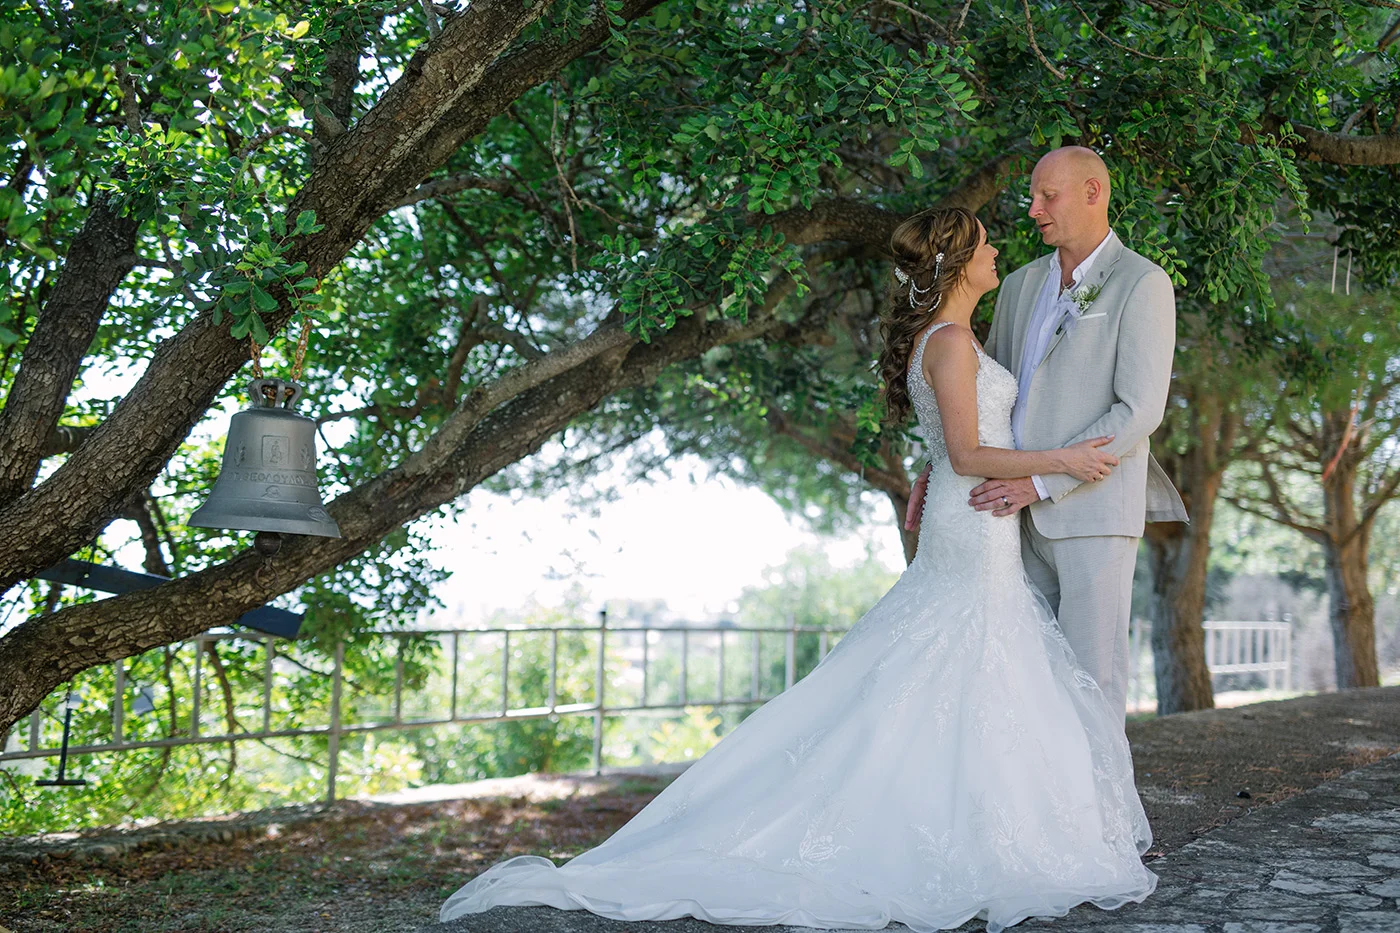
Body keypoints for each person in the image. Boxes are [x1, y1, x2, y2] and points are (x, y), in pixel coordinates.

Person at [438, 203, 1158, 933]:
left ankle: (982, 816)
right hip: (972, 517)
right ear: (957, 262)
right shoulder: (948, 343)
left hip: (970, 515)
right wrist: (1062, 460)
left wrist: (945, 467)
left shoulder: (954, 339)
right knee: (959, 658)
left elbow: (960, 445)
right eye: (984, 243)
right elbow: (969, 453)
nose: (998, 249)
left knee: (968, 665)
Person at [905, 146, 1188, 721]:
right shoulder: (1016, 284)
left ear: (1093, 193)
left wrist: (1040, 480)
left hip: (1092, 510)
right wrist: (938, 466)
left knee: (1091, 680)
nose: (1033, 209)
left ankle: (1097, 813)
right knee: (1020, 683)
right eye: (1031, 196)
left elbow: (1138, 410)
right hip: (1002, 518)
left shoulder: (1143, 282)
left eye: (1046, 196)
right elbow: (989, 397)